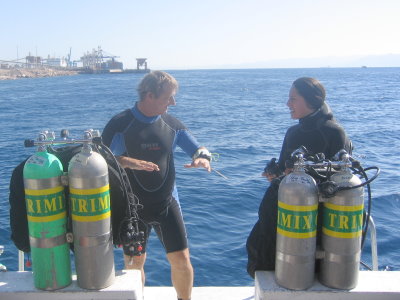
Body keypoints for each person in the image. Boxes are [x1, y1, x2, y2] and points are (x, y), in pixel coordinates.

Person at [102, 71, 211, 300]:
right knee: (134, 264)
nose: (173, 102)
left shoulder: (172, 125)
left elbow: (199, 148)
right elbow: (100, 161)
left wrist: (203, 158)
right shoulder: (120, 124)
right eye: (168, 97)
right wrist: (127, 162)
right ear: (149, 95)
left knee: (181, 259)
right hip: (133, 208)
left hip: (167, 203)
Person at [246, 77, 352, 278]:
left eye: (293, 99)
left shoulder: (334, 132)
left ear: (312, 100)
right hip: (285, 207)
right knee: (260, 249)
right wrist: (274, 173)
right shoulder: (292, 132)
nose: (288, 104)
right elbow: (284, 168)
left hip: (314, 214)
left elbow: (340, 179)